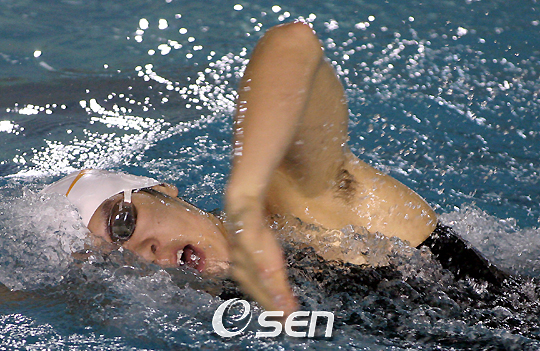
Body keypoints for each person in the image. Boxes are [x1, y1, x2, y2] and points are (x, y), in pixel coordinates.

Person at [42, 22, 501, 316]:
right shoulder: (222, 311)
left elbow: (294, 44)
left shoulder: (301, 205)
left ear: (163, 189)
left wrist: (244, 200)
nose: (141, 250)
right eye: (111, 257)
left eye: (123, 223)